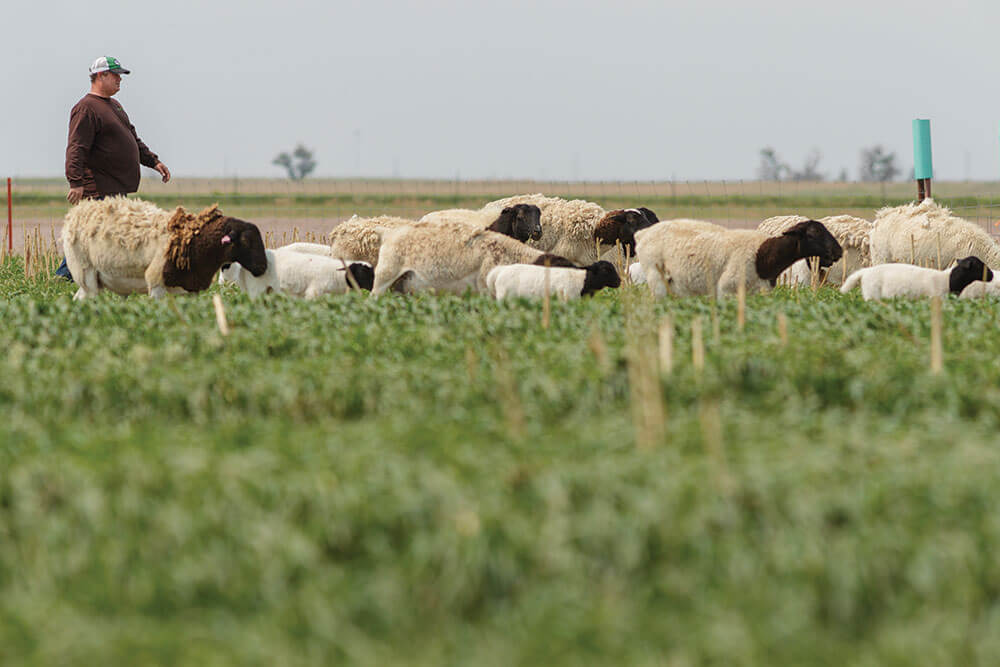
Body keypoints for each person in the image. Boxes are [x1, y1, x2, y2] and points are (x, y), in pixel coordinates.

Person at [57, 56, 171, 279]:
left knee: (101, 236)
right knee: (87, 236)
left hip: (114, 187)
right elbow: (76, 147)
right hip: (97, 187)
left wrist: (153, 161)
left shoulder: (114, 106)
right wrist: (76, 182)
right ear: (101, 75)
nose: (120, 79)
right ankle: (65, 276)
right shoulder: (86, 108)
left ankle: (103, 277)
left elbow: (133, 138)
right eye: (116, 74)